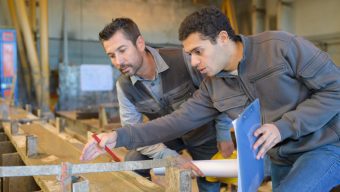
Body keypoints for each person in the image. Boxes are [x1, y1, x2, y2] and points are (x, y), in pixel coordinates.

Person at [81, 8, 340, 191]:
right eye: (189, 54)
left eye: (198, 52)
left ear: (223, 38)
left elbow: (335, 90)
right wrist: (118, 137)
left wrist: (283, 127)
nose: (193, 62)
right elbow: (175, 122)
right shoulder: (213, 85)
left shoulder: (280, 47)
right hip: (281, 156)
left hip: (325, 145)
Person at [93, 17, 236, 191]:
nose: (118, 61)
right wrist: (170, 157)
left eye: (122, 50)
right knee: (133, 160)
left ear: (139, 43)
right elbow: (134, 133)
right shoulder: (124, 87)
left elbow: (219, 93)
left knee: (210, 180)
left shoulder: (184, 60)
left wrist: (223, 133)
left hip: (203, 135)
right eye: (112, 55)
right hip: (166, 139)